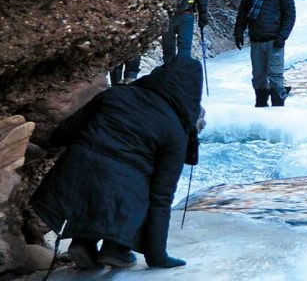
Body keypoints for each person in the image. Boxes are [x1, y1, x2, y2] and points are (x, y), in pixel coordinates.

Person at [30, 56, 203, 269]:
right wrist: (156, 255)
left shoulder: (116, 94)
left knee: (97, 168)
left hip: (73, 178)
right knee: (137, 183)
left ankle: (83, 242)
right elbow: (162, 196)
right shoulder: (176, 131)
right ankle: (116, 248)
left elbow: (66, 131)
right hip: (121, 191)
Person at [234, 0, 296, 107]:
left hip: (274, 40)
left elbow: (290, 15)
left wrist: (282, 36)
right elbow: (243, 12)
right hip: (256, 39)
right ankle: (260, 105)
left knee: (275, 75)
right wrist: (239, 31)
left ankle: (278, 107)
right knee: (258, 76)